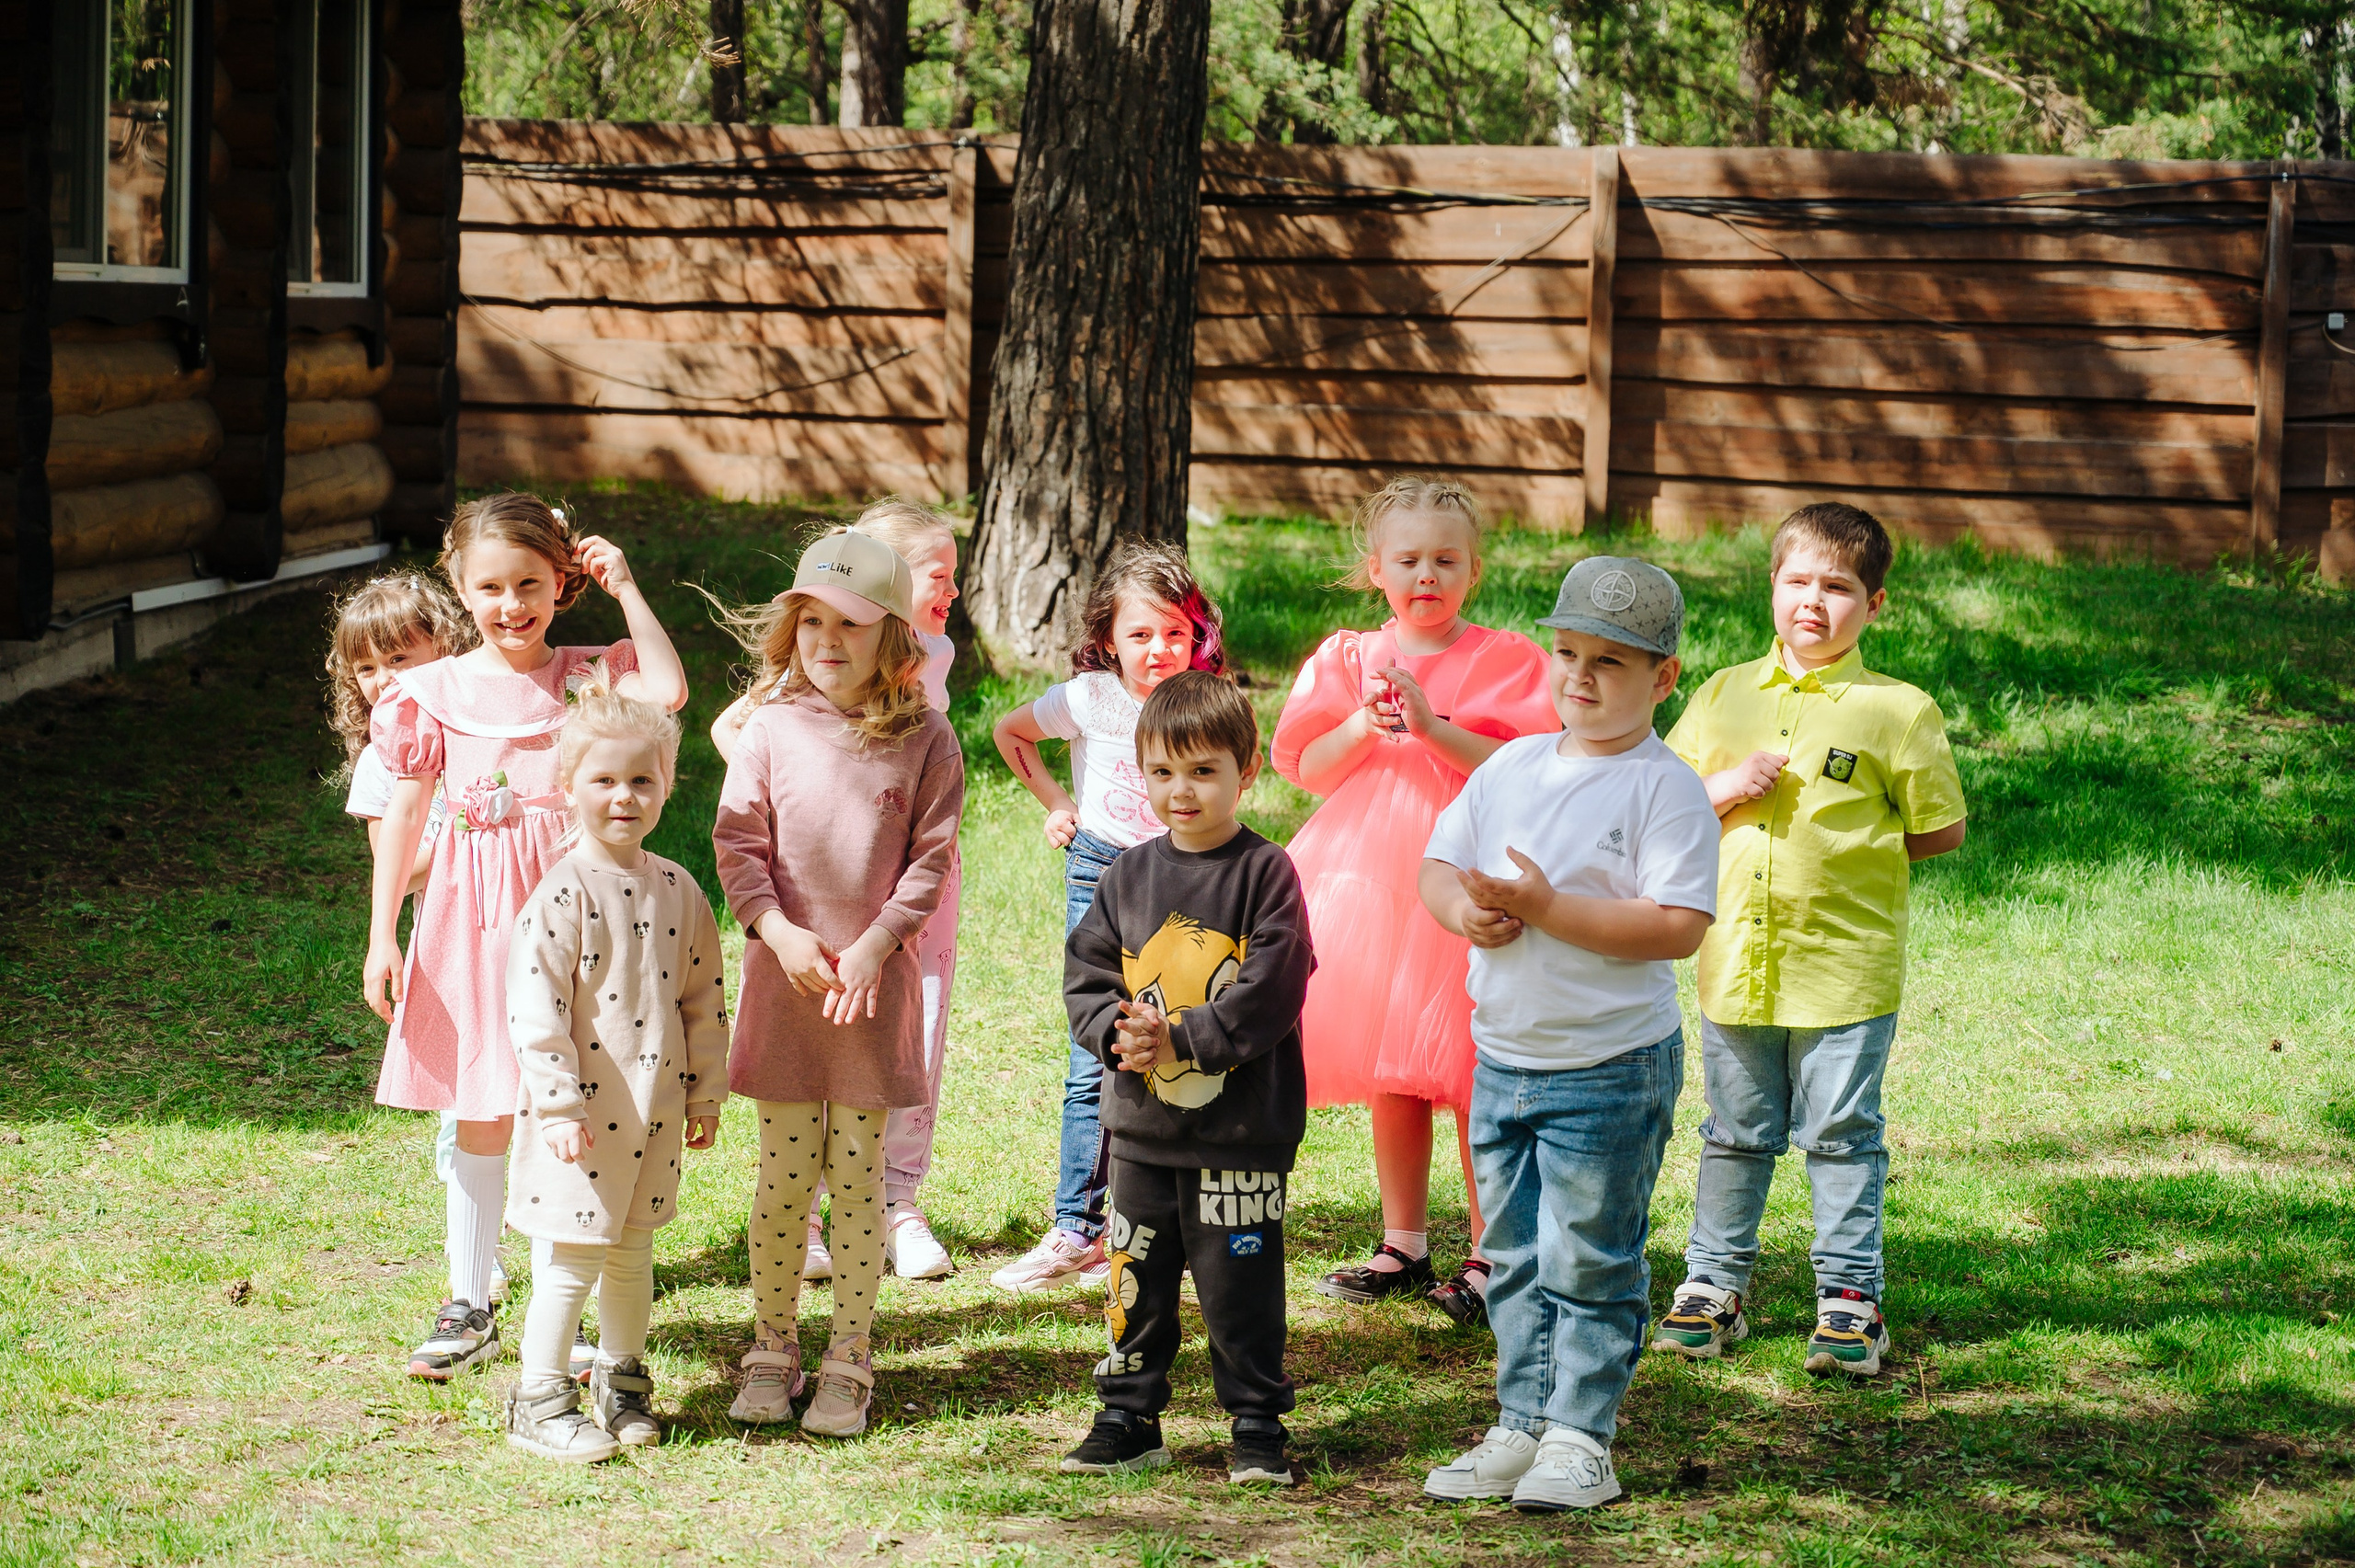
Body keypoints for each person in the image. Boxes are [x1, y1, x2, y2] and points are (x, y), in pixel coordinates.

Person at [361, 494, 690, 1379]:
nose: (512, 604)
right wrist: (383, 930)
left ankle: (561, 1303)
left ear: (561, 583)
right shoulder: (429, 691)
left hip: (571, 915)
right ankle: (469, 1302)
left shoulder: (586, 676)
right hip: (469, 920)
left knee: (567, 1103)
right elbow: (406, 811)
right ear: (460, 587)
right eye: (491, 586)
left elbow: (666, 692)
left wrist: (624, 587)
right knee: (480, 1107)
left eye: (531, 584)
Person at [1417, 556, 1719, 1511]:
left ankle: (1582, 1435)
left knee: (1590, 1255)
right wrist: (1463, 914)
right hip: (1504, 1058)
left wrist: (1548, 910)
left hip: (1608, 1066)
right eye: (1566, 653)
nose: (1579, 677)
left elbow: (1676, 924)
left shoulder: (1663, 789)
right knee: (1510, 1253)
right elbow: (1437, 863)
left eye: (1610, 663)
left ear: (1663, 678)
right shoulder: (1509, 764)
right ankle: (1522, 1422)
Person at [1650, 504, 1967, 1378]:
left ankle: (1851, 1301)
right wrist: (1724, 786)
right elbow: (1663, 802)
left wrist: (1851, 851)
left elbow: (1939, 830)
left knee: (1840, 1131)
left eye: (1839, 588)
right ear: (1773, 588)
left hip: (1843, 967)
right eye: (1798, 582)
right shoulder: (1722, 695)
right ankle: (1713, 1287)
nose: (1814, 603)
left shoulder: (1897, 712)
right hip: (1736, 961)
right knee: (1735, 1130)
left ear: (1876, 605)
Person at [1269, 477, 1558, 1327]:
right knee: (1389, 1065)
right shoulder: (1350, 656)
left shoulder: (1504, 658)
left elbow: (1521, 766)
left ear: (1473, 569)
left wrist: (1432, 727)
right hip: (1367, 878)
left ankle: (1491, 1249)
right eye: (1408, 559)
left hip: (1460, 871)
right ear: (1375, 568)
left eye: (1445, 559)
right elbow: (1306, 767)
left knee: (1470, 1068)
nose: (1426, 574)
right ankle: (1404, 1238)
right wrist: (1365, 722)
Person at [711, 528, 965, 1437]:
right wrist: (776, 933)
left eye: (849, 624)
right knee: (783, 1177)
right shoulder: (768, 728)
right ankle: (772, 1345)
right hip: (786, 988)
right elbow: (736, 845)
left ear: (895, 636)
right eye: (809, 619)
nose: (826, 639)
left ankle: (849, 1355)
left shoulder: (929, 739)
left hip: (869, 992)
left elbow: (932, 860)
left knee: (856, 1175)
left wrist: (875, 947)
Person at [1059, 671, 1315, 1486]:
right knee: (1135, 1281)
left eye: (1204, 770)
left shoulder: (1266, 873)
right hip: (1142, 1131)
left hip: (1241, 1134)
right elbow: (1088, 976)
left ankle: (1256, 1424)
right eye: (1164, 771)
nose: (1182, 789)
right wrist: (1117, 1034)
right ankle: (1129, 1414)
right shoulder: (1127, 875)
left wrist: (1182, 1035)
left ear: (1247, 772)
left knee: (1241, 1288)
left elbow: (1272, 988)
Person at [987, 542, 1228, 1294]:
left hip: (1183, 875)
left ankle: (1164, 1225)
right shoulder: (1089, 698)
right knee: (1094, 1050)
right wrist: (1057, 804)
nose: (1159, 649)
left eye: (1175, 633)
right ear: (1108, 638)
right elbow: (1010, 732)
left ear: (1197, 636)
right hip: (1099, 871)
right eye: (1140, 634)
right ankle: (1076, 1228)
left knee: (1178, 1046)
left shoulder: (1202, 705)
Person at [500, 684, 730, 1462]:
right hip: (582, 1122)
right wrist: (559, 1106)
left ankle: (620, 1380)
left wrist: (705, 1088)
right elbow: (537, 1011)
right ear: (568, 788)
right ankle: (538, 1396)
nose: (624, 796)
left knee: (634, 1254)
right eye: (603, 780)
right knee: (572, 1257)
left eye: (642, 779)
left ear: (667, 785)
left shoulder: (680, 889)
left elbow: (703, 996)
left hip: (654, 1111)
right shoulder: (561, 894)